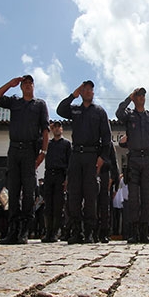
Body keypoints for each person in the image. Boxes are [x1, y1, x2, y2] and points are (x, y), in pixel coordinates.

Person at [0, 75, 50, 244]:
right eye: (24, 83)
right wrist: (10, 83)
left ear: (33, 85)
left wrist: (43, 152)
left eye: (30, 83)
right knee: (13, 190)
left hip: (30, 150)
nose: (27, 86)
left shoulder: (39, 104)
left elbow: (45, 130)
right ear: (21, 86)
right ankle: (13, 230)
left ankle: (24, 230)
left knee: (29, 191)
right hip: (14, 149)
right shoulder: (15, 101)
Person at [57, 80, 112, 244]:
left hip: (91, 156)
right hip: (76, 155)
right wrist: (73, 95)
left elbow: (107, 138)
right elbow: (60, 110)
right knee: (74, 194)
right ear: (81, 92)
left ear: (93, 93)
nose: (88, 92)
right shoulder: (75, 110)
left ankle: (89, 232)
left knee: (90, 195)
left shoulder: (100, 112)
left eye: (90, 90)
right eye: (85, 89)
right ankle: (76, 231)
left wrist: (102, 157)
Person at [116, 87, 149, 244]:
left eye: (143, 95)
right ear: (135, 98)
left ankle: (144, 232)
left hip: (148, 159)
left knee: (148, 196)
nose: (141, 97)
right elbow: (118, 113)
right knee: (134, 197)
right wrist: (129, 97)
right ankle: (134, 232)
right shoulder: (129, 116)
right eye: (138, 95)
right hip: (134, 159)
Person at [42, 121, 71, 243]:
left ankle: (54, 232)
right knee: (48, 205)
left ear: (62, 129)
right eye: (54, 127)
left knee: (58, 206)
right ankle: (48, 231)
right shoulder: (48, 144)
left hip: (60, 175)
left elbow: (70, 163)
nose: (57, 129)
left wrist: (67, 179)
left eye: (59, 127)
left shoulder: (67, 144)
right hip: (49, 174)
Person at [96, 143, 119, 243]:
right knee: (93, 205)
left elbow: (114, 163)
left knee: (105, 207)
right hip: (93, 173)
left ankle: (104, 232)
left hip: (105, 174)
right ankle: (93, 231)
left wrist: (114, 181)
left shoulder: (108, 144)